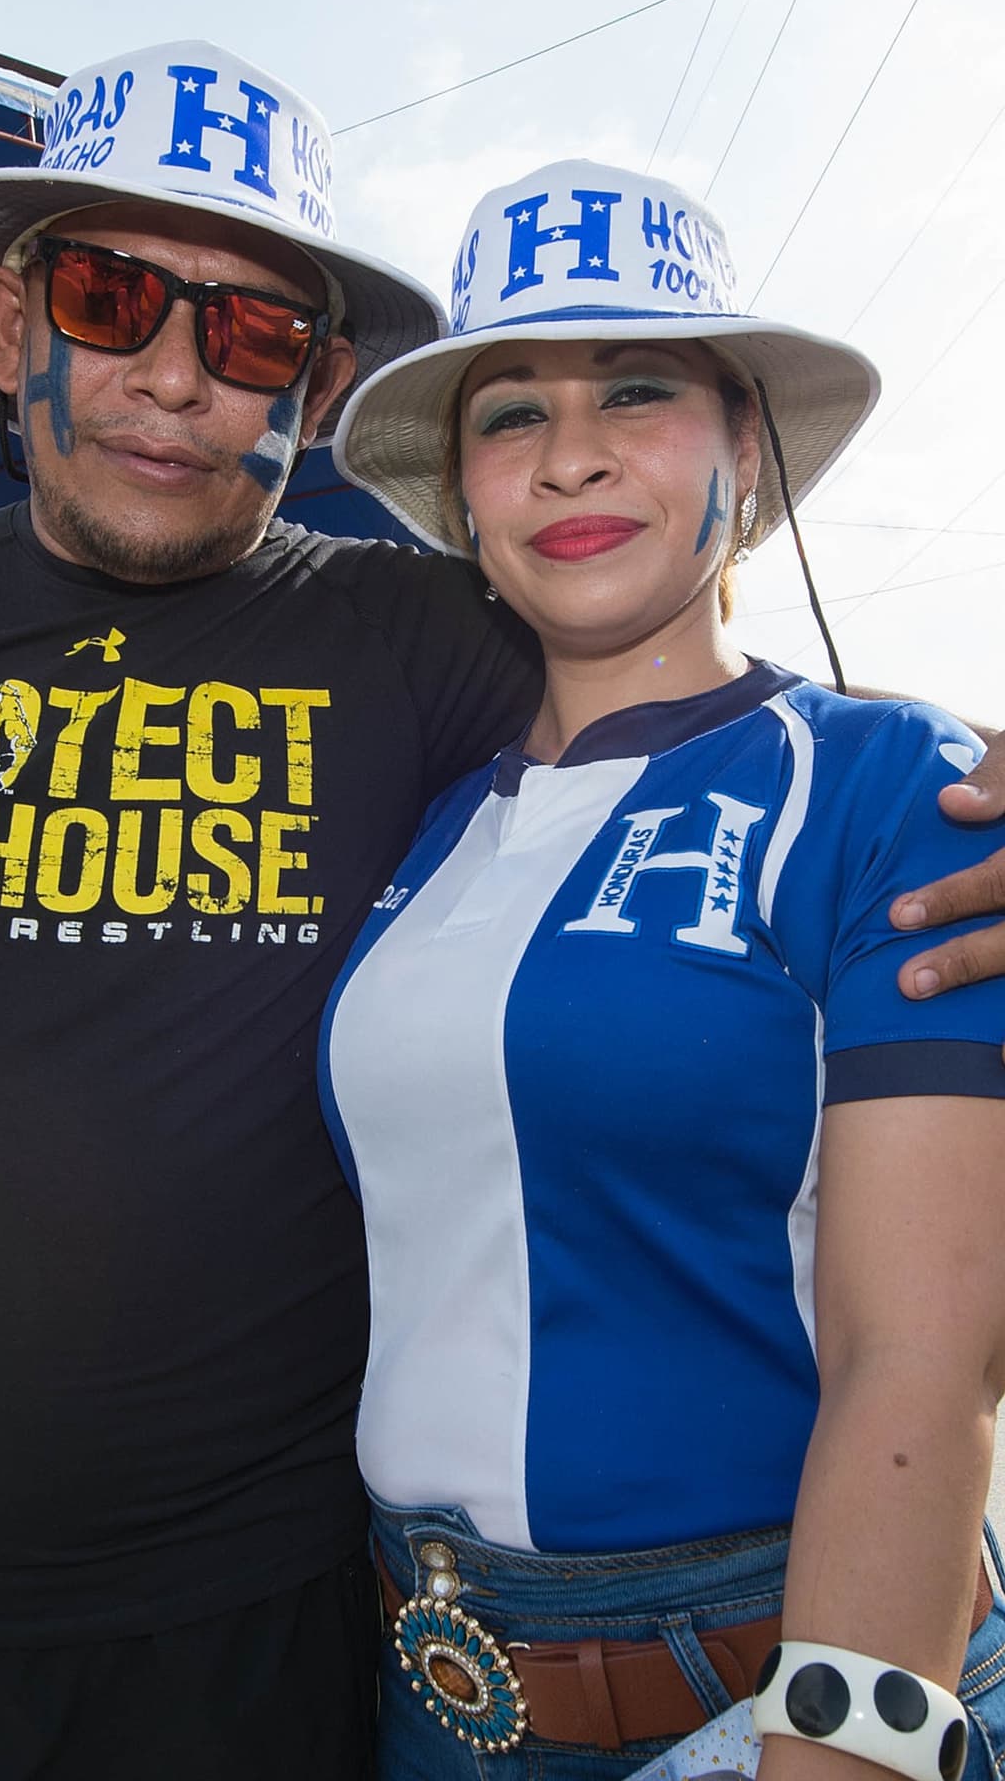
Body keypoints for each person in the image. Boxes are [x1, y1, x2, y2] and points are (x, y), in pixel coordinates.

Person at [0, 49, 998, 1781]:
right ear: (15, 327)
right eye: (111, 298)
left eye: (249, 336)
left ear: (315, 390)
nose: (175, 379)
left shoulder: (421, 645)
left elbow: (718, 697)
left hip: (275, 1646)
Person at [322, 157, 1005, 1781]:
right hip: (431, 1689)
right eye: (511, 414)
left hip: (772, 1688)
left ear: (746, 458)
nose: (572, 455)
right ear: (464, 494)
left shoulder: (892, 787)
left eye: (638, 391)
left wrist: (837, 1753)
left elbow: (927, 1356)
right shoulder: (418, 830)